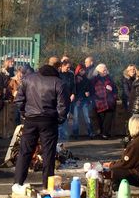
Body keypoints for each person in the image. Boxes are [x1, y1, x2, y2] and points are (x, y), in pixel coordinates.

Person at [14, 56, 69, 188]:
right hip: (49, 121)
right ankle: (47, 185)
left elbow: (19, 100)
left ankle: (17, 183)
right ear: (56, 69)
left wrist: (24, 114)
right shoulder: (59, 82)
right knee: (48, 154)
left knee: (25, 152)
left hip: (31, 119)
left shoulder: (28, 79)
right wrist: (59, 120)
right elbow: (63, 106)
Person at [103, 115, 139, 190]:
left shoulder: (137, 142)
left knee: (115, 171)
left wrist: (111, 165)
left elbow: (126, 163)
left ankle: (117, 193)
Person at [92, 63, 117, 139]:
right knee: (101, 120)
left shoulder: (109, 78)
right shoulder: (95, 79)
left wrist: (113, 95)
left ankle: (105, 134)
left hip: (110, 102)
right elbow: (93, 90)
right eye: (103, 70)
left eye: (106, 69)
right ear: (98, 71)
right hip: (100, 102)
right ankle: (103, 134)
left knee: (108, 119)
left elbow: (115, 89)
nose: (105, 71)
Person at [72, 66, 94, 139]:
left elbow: (90, 89)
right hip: (77, 100)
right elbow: (73, 90)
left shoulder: (87, 79)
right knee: (76, 118)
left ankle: (90, 133)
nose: (82, 72)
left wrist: (88, 93)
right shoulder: (74, 79)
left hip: (84, 100)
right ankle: (76, 134)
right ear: (78, 70)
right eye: (81, 70)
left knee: (87, 117)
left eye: (83, 70)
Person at [58, 59, 76, 142]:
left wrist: (73, 93)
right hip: (60, 99)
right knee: (60, 116)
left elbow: (73, 85)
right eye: (67, 67)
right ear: (62, 66)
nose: (68, 69)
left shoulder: (71, 75)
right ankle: (59, 135)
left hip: (69, 98)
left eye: (69, 67)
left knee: (67, 117)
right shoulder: (58, 74)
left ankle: (65, 135)